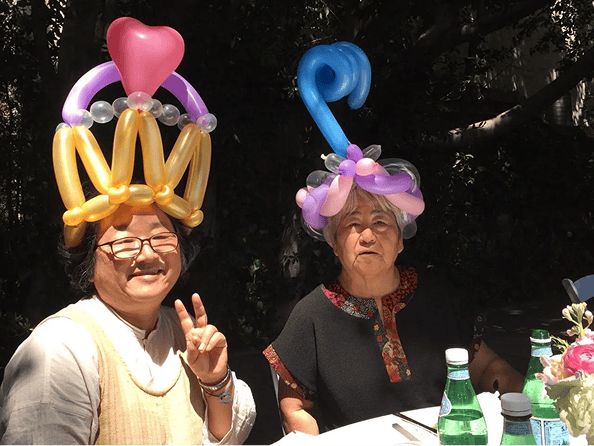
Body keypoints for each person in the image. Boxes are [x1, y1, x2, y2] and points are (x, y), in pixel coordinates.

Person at [263, 153, 525, 435]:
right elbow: (295, 408)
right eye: (352, 225)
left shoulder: (438, 298)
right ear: (334, 244)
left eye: (381, 223)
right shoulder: (311, 315)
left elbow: (488, 368)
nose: (367, 237)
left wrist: (525, 401)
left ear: (400, 240)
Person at [0, 203, 256, 444]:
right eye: (124, 242)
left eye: (161, 238)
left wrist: (215, 382)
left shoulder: (185, 330)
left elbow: (226, 437)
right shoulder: (59, 348)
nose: (147, 254)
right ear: (87, 265)